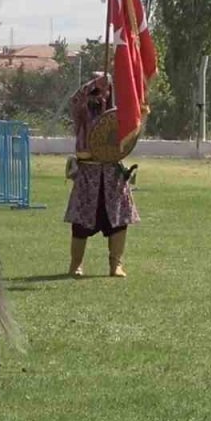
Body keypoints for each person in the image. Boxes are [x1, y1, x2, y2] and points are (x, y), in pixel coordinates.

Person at [65, 73, 138, 277]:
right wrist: (94, 84)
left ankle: (116, 264)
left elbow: (132, 120)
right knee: (81, 221)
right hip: (88, 171)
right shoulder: (81, 111)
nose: (99, 96)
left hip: (112, 171)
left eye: (103, 91)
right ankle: (76, 264)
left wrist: (113, 87)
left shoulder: (117, 112)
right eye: (95, 92)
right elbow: (75, 100)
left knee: (118, 220)